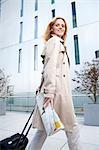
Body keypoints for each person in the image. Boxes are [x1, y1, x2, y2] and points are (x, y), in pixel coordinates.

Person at [28, 17, 82, 150]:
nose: (60, 27)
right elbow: (50, 68)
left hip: (58, 91)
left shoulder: (58, 42)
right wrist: (50, 92)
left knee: (44, 129)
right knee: (72, 126)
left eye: (63, 26)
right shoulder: (55, 42)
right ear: (52, 28)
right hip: (57, 92)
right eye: (57, 25)